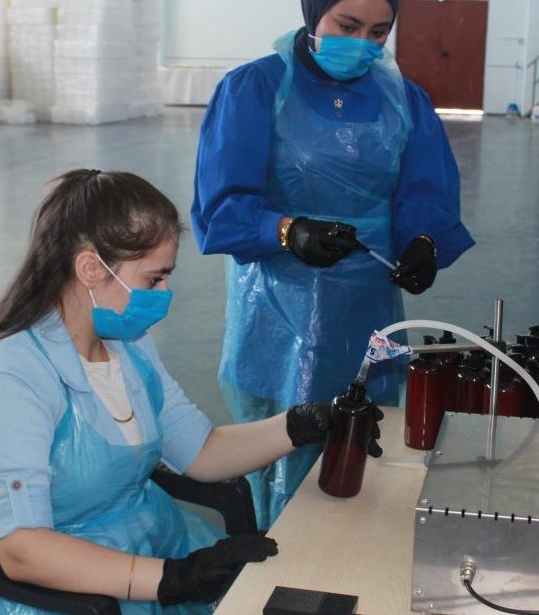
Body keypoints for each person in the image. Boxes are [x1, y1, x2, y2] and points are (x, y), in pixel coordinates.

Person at [0, 169, 379, 614]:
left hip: (143, 545)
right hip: (56, 589)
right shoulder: (9, 374)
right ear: (91, 269)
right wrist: (175, 579)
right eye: (154, 279)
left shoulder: (127, 346)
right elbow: (22, 550)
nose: (165, 293)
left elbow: (202, 452)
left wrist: (302, 424)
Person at [191, 0, 475, 529]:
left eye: (378, 32)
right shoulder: (256, 89)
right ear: (313, 13)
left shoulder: (402, 99)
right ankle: (278, 550)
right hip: (278, 307)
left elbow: (425, 191)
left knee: (363, 435)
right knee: (279, 443)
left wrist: (424, 242)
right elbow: (221, 205)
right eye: (347, 27)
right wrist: (285, 230)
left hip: (367, 301)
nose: (362, 44)